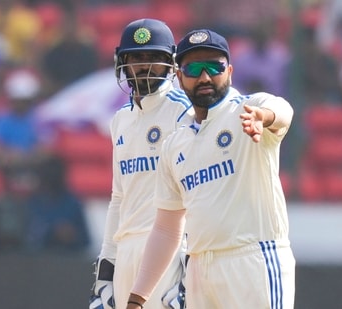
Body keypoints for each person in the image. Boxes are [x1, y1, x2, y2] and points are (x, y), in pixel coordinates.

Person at [126, 29, 296, 309]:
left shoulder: (247, 110)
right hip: (199, 270)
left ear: (229, 70)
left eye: (213, 67)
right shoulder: (174, 145)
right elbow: (167, 230)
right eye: (193, 68)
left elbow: (282, 110)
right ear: (179, 78)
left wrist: (263, 118)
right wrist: (137, 298)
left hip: (253, 261)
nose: (204, 77)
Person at [89, 19, 193, 309]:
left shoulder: (183, 111)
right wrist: (105, 270)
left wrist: (189, 271)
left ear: (171, 63)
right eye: (136, 58)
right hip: (126, 251)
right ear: (122, 63)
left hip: (169, 251)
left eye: (154, 58)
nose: (144, 66)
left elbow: (197, 196)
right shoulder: (120, 120)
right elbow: (119, 199)